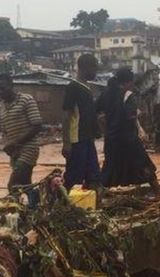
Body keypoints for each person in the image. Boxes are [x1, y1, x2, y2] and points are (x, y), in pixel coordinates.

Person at [97, 68, 160, 192]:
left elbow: (98, 115)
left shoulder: (105, 93)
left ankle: (99, 197)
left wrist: (106, 131)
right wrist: (139, 117)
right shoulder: (127, 95)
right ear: (129, 82)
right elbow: (131, 116)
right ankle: (158, 193)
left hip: (111, 140)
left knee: (110, 168)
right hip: (128, 138)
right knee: (144, 164)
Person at [0, 73, 43, 191]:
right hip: (14, 152)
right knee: (25, 185)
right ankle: (35, 206)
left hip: (29, 149)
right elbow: (5, 131)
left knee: (13, 185)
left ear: (11, 85)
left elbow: (37, 126)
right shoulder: (1, 107)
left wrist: (15, 142)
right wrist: (8, 146)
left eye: (3, 88)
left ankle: (11, 208)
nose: (0, 92)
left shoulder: (26, 100)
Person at [62, 54, 101, 191]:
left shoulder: (87, 88)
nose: (96, 72)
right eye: (94, 68)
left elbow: (88, 114)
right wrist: (66, 142)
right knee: (73, 176)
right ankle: (60, 203)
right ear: (85, 67)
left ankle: (91, 205)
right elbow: (66, 115)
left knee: (94, 175)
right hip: (76, 139)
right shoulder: (73, 87)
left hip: (87, 138)